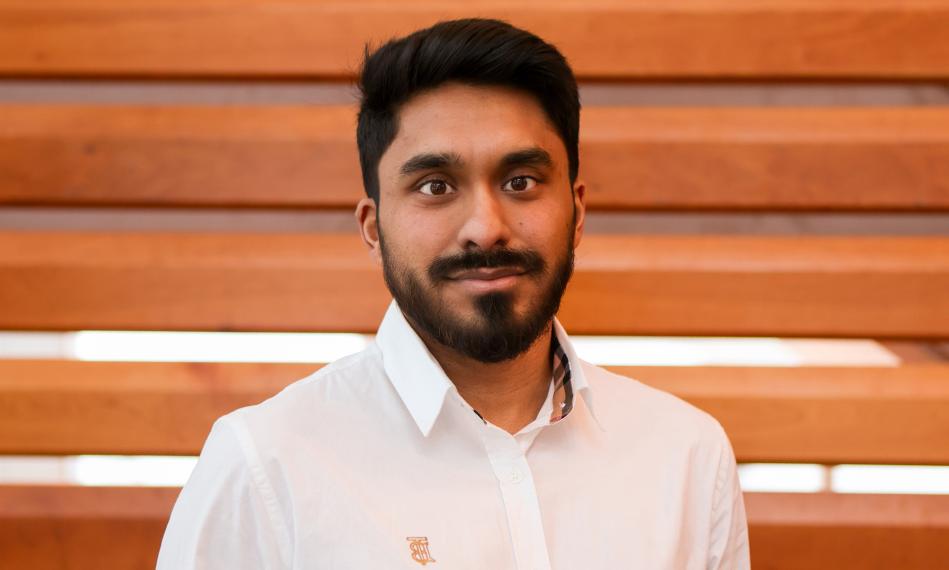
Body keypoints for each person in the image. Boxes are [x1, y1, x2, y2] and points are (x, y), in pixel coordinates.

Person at [157, 18, 750, 569]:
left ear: (576, 212)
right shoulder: (266, 465)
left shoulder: (688, 457)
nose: (485, 226)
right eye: (436, 186)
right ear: (373, 228)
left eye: (521, 181)